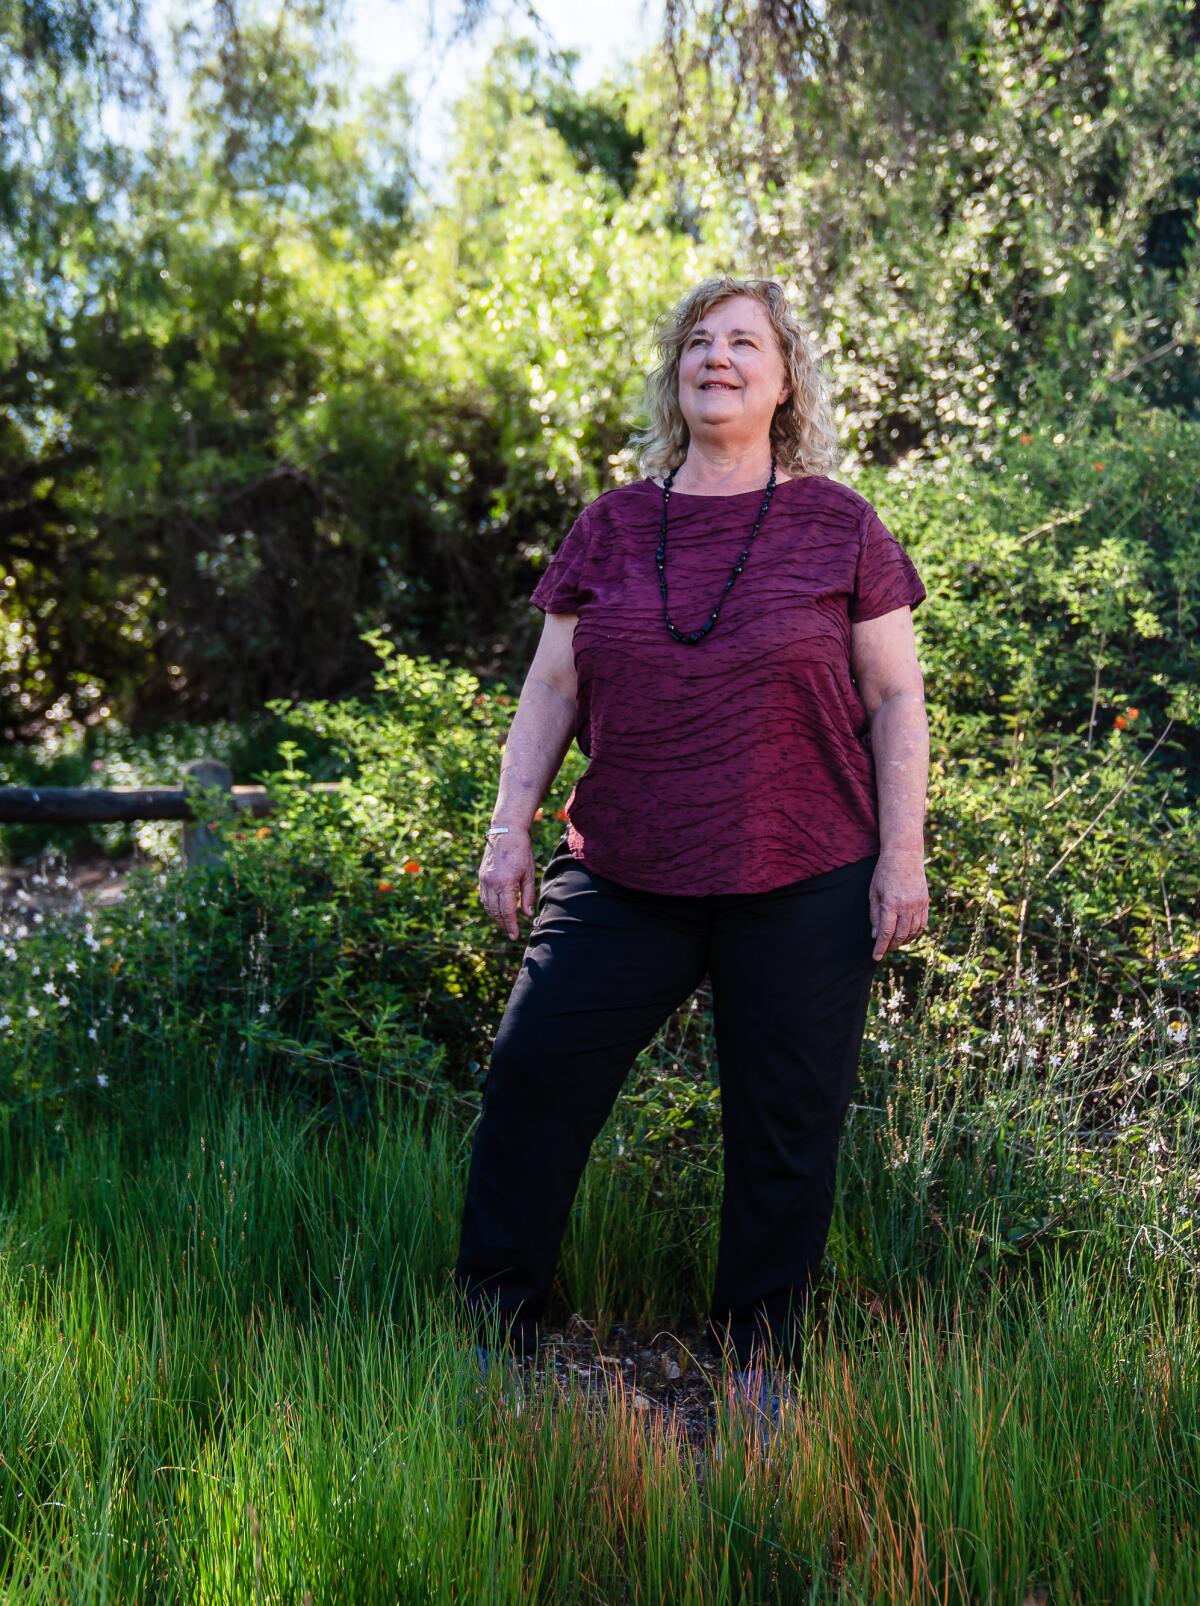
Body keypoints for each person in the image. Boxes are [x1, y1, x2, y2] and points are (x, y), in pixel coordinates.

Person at [451, 274, 929, 1419]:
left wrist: (902, 852)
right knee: (531, 1073)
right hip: (623, 869)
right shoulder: (612, 525)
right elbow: (551, 686)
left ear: (785, 379)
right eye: (700, 342)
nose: (719, 358)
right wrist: (509, 827)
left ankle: (757, 1362)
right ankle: (495, 1331)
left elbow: (895, 698)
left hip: (805, 871)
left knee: (785, 1126)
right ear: (677, 374)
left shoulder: (841, 523)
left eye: (745, 343)